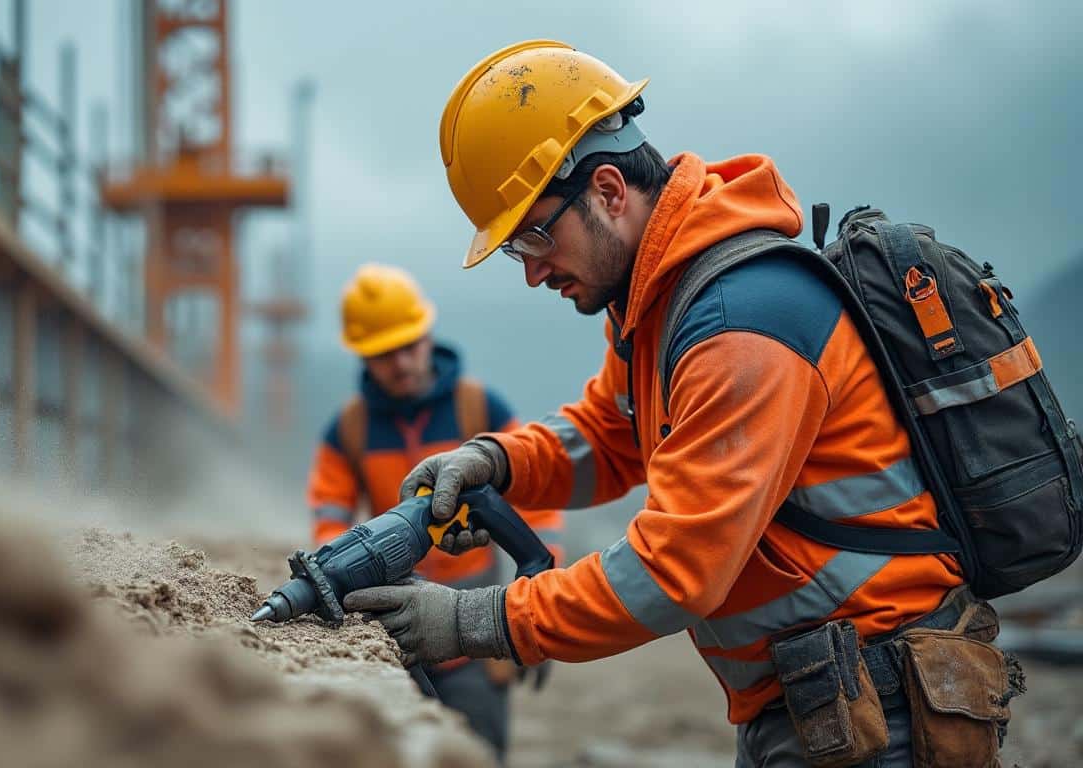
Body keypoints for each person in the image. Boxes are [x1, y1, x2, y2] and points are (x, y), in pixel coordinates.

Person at [342, 41, 1018, 767]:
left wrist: (476, 619)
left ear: (607, 189)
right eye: (514, 249)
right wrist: (498, 462)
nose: (533, 271)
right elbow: (609, 436)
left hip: (887, 711)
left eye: (536, 234)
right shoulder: (658, 304)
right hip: (820, 698)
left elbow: (675, 571)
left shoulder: (740, 323)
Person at [307, 263, 563, 760]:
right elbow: (330, 519)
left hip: (478, 623)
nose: (400, 363)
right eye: (384, 354)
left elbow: (541, 504)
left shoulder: (479, 410)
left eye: (408, 345)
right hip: (395, 613)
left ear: (427, 335)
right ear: (363, 355)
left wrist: (538, 599)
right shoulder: (349, 432)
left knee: (479, 753)